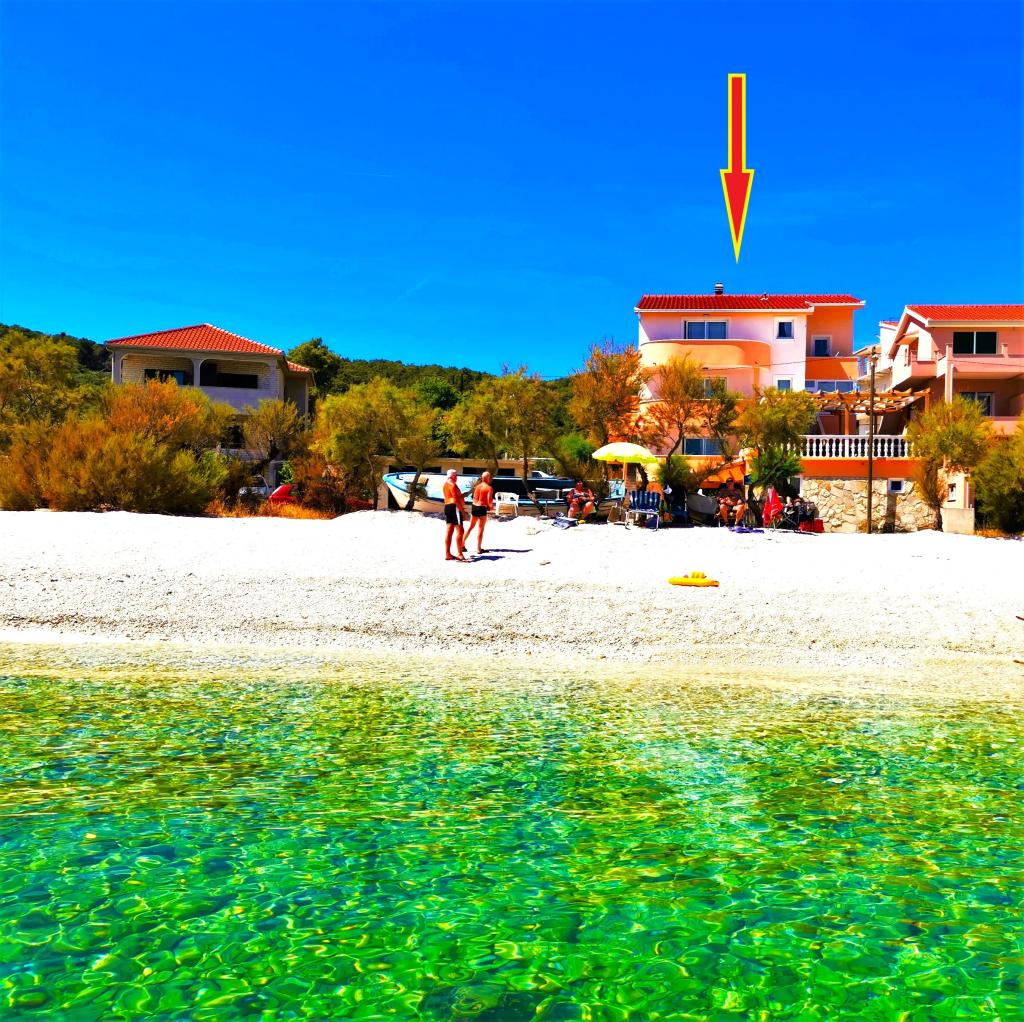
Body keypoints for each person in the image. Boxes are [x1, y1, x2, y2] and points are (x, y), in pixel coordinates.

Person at [463, 471, 494, 554]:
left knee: (470, 527)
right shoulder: (489, 488)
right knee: (480, 529)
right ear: (488, 478)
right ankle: (478, 549)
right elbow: (489, 501)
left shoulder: (477, 486)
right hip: (482, 508)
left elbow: (474, 497)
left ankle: (462, 545)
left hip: (474, 507)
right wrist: (491, 507)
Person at [442, 469, 467, 561]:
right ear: (452, 476)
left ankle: (447, 554)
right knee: (460, 531)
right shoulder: (452, 484)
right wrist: (463, 512)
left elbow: (453, 497)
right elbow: (456, 500)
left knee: (449, 531)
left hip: (447, 507)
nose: (457, 477)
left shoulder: (445, 485)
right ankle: (460, 554)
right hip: (454, 508)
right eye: (456, 475)